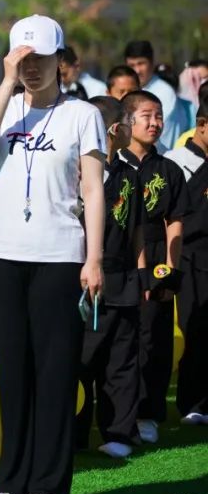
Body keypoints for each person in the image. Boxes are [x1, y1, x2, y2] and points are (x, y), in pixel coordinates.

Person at [0, 14, 106, 494]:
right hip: (2, 256)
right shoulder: (1, 105)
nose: (31, 69)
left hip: (59, 256)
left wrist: (93, 257)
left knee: (53, 375)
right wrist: (6, 83)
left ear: (61, 60)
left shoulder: (82, 115)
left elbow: (93, 189)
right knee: (12, 373)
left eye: (40, 59)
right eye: (22, 60)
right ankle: (12, 482)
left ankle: (50, 487)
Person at [116, 90, 188, 444]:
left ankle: (149, 412)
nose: (156, 123)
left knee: (155, 336)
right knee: (121, 339)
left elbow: (175, 221)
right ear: (127, 120)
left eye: (159, 116)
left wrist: (171, 268)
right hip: (119, 257)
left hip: (158, 256)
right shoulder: (112, 166)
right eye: (147, 115)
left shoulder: (168, 169)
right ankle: (117, 414)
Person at [76, 96, 146, 460]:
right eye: (127, 122)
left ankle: (118, 432)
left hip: (123, 279)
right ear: (115, 129)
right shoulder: (73, 173)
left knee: (121, 360)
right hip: (80, 279)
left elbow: (136, 230)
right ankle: (73, 433)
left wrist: (142, 275)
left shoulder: (130, 175)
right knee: (80, 360)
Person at [165, 94, 208, 424]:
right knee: (195, 328)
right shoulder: (176, 161)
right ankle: (193, 402)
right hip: (190, 258)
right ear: (202, 126)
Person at [125, 40, 191, 149]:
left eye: (141, 63)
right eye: (132, 65)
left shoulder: (165, 92)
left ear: (151, 63)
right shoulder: (126, 89)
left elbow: (165, 136)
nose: (137, 70)